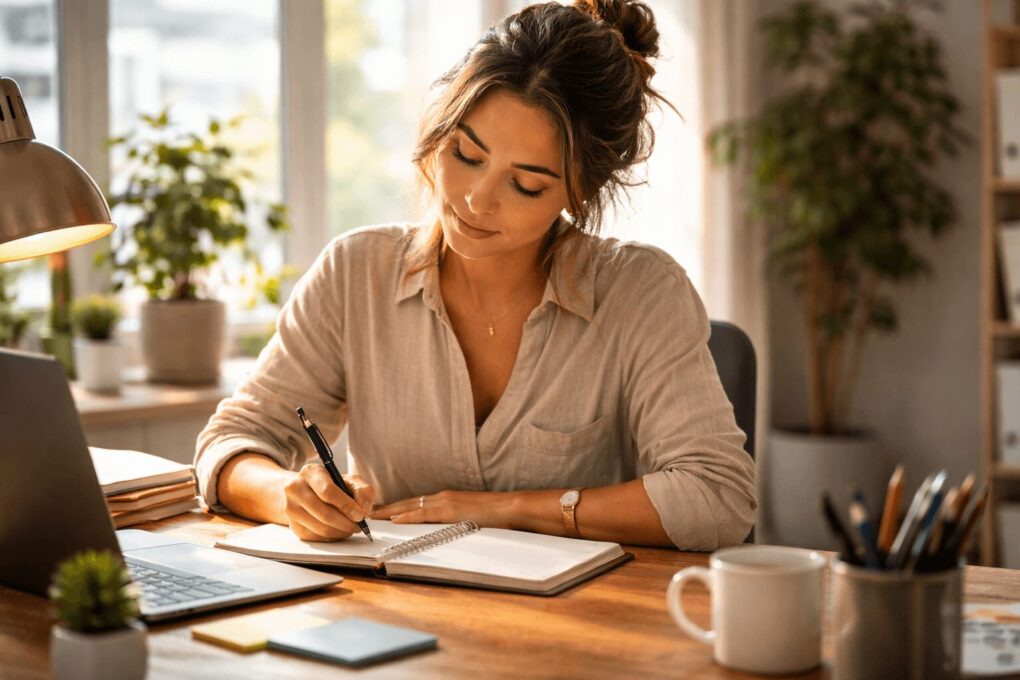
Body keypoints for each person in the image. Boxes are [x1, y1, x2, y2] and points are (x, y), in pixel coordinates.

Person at [196, 0, 756, 550]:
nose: (475, 199)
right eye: (465, 154)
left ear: (579, 191)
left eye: (527, 184)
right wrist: (287, 494)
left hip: (584, 623)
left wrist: (506, 510)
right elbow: (231, 443)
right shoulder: (355, 272)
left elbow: (718, 498)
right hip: (397, 616)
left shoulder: (641, 292)